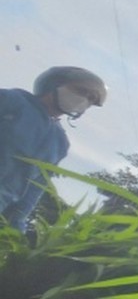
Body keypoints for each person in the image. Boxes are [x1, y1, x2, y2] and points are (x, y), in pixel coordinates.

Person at [0, 66, 107, 233]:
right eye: (81, 91)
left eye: (90, 99)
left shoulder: (59, 143)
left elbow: (34, 189)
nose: (84, 100)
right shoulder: (11, 101)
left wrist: (15, 229)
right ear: (53, 84)